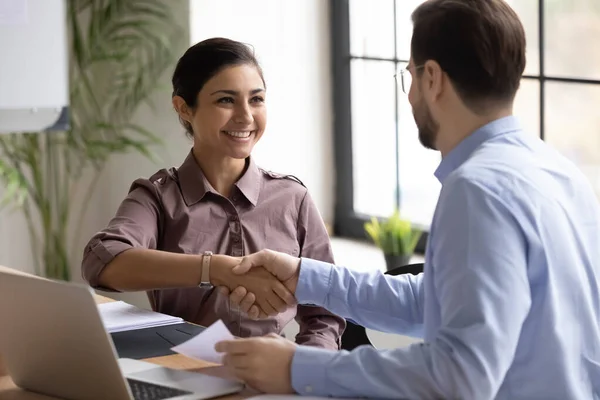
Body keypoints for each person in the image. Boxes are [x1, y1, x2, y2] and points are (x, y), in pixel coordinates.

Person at [215, 0, 600, 398]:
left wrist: (297, 367)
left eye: (410, 76)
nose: (411, 94)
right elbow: (439, 302)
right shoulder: (561, 172)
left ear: (432, 78)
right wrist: (304, 277)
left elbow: (459, 376)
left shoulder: (478, 190)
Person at [81, 37, 345, 349]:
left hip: (277, 381)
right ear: (184, 108)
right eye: (226, 100)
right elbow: (103, 263)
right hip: (183, 372)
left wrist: (304, 369)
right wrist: (220, 269)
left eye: (256, 99)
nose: (245, 116)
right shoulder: (157, 197)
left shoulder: (292, 197)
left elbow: (326, 313)